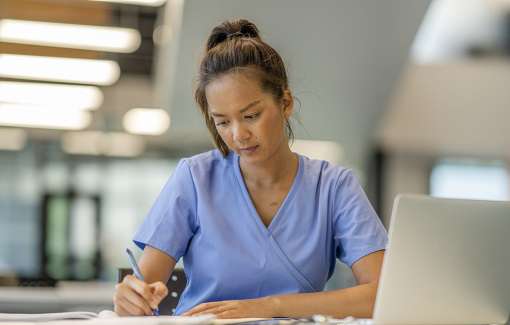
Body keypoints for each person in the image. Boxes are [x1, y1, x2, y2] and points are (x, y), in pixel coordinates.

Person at [113, 18, 387, 319]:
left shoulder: (334, 187)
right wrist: (132, 297)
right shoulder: (195, 178)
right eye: (222, 122)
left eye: (251, 116)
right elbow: (145, 287)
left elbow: (381, 294)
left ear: (285, 102)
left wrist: (270, 306)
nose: (238, 135)